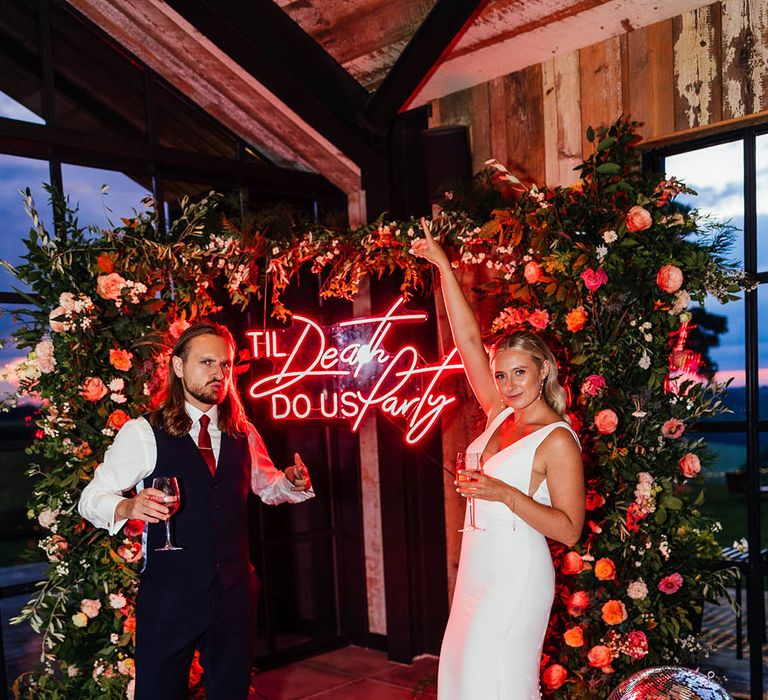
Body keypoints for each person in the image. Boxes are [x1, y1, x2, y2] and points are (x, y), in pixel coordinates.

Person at [78, 321, 313, 700]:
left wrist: (290, 482)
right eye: (206, 363)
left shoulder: (242, 431)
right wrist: (127, 504)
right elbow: (90, 498)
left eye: (225, 365)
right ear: (177, 366)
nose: (218, 374)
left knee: (231, 691)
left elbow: (267, 487)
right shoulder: (142, 432)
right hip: (170, 593)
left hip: (235, 592)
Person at [410, 221, 584, 700]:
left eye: (520, 373)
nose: (508, 385)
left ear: (544, 369)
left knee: (499, 685)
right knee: (462, 681)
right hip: (475, 569)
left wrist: (503, 492)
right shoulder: (498, 412)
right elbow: (467, 341)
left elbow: (569, 530)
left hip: (517, 575)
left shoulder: (557, 439)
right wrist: (443, 266)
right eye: (501, 375)